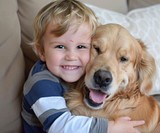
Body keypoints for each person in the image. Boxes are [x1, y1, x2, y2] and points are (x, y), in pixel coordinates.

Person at [21, 0, 145, 133]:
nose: (71, 56)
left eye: (81, 47)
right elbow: (60, 126)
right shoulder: (41, 83)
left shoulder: (74, 72)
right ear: (41, 52)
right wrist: (109, 127)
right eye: (60, 46)